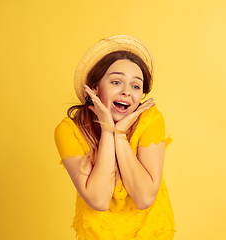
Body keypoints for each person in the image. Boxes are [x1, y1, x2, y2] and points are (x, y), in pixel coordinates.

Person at [54, 35, 175, 239]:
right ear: (94, 88)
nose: (127, 92)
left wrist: (119, 136)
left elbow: (144, 197)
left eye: (136, 86)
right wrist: (109, 130)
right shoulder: (69, 131)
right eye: (117, 82)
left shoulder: (151, 120)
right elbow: (99, 200)